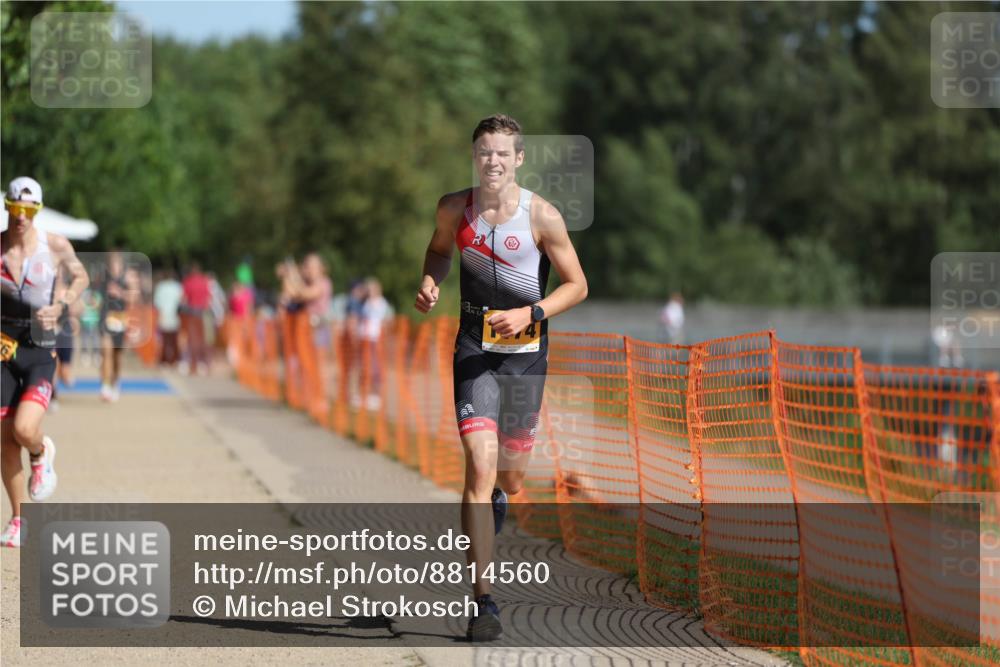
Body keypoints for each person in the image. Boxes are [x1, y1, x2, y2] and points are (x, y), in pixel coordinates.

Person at [414, 115, 588, 640]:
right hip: (474, 353)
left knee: (509, 478)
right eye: (483, 152)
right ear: (475, 156)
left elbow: (577, 285)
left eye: (502, 153)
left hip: (525, 360)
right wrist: (429, 280)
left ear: (519, 159)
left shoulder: (543, 217)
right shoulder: (453, 209)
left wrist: (532, 313)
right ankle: (483, 602)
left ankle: (499, 500)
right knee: (478, 466)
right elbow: (440, 250)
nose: (492, 161)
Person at [1, 177, 89, 547]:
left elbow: (81, 275)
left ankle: (40, 450)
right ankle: (20, 520)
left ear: (36, 211)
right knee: (4, 442)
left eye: (28, 210)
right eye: (15, 209)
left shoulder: (54, 245)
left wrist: (62, 303)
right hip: (3, 349)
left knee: (24, 430)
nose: (20, 217)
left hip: (39, 349)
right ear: (7, 207)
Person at [98, 251, 133, 402]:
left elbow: (133, 298)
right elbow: (95, 297)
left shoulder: (127, 279)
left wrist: (120, 293)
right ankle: (105, 386)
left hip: (120, 318)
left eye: (117, 264)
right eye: (112, 264)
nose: (114, 267)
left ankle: (115, 382)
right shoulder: (103, 279)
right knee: (106, 352)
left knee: (117, 356)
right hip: (105, 318)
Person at [358, 277, 391, 409]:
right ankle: (364, 393)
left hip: (375, 339)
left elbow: (385, 320)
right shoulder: (365, 302)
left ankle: (376, 395)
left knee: (375, 367)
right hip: (365, 338)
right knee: (364, 366)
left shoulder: (381, 303)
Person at [180, 262, 212, 375]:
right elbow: (208, 298)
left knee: (192, 339)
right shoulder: (204, 281)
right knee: (202, 339)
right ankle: (203, 364)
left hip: (192, 312)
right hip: (202, 312)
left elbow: (183, 298)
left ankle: (192, 365)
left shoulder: (188, 281)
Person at [153, 269, 183, 367]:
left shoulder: (161, 287)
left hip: (164, 315)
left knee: (165, 339)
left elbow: (157, 303)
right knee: (173, 339)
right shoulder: (177, 287)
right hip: (174, 315)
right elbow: (181, 301)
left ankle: (164, 359)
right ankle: (174, 359)